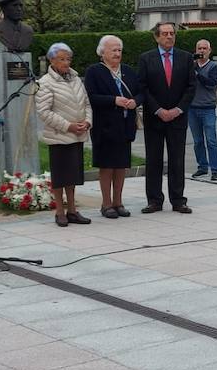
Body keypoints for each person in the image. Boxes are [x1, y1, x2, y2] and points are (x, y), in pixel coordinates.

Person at [137, 22, 196, 214]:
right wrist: (158, 110)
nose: (169, 37)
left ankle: (178, 200)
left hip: (177, 118)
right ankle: (154, 200)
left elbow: (191, 87)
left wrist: (178, 109)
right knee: (154, 160)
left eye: (172, 33)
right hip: (155, 117)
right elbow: (143, 88)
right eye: (165, 34)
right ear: (156, 37)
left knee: (177, 160)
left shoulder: (186, 58)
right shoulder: (146, 58)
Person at [84, 35, 142, 219]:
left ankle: (118, 202)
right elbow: (91, 97)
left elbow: (141, 92)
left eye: (119, 50)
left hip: (125, 125)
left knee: (121, 166)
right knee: (106, 166)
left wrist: (135, 102)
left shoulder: (128, 71)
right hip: (104, 126)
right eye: (113, 50)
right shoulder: (94, 71)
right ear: (102, 53)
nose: (117, 54)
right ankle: (106, 203)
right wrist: (114, 100)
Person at [36, 42, 93, 227]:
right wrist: (68, 126)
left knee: (73, 175)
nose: (66, 63)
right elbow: (44, 112)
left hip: (77, 134)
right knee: (60, 177)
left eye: (68, 59)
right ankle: (60, 212)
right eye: (61, 59)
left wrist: (87, 122)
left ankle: (72, 211)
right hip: (59, 136)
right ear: (52, 60)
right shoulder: (45, 83)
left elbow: (86, 104)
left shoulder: (76, 79)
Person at [188, 39, 217, 181]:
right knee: (197, 141)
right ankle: (202, 167)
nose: (202, 51)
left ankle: (215, 169)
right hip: (192, 108)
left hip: (207, 108)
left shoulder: (214, 67)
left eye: (204, 48)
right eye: (199, 48)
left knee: (211, 140)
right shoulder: (191, 66)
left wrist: (197, 72)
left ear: (209, 51)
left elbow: (211, 84)